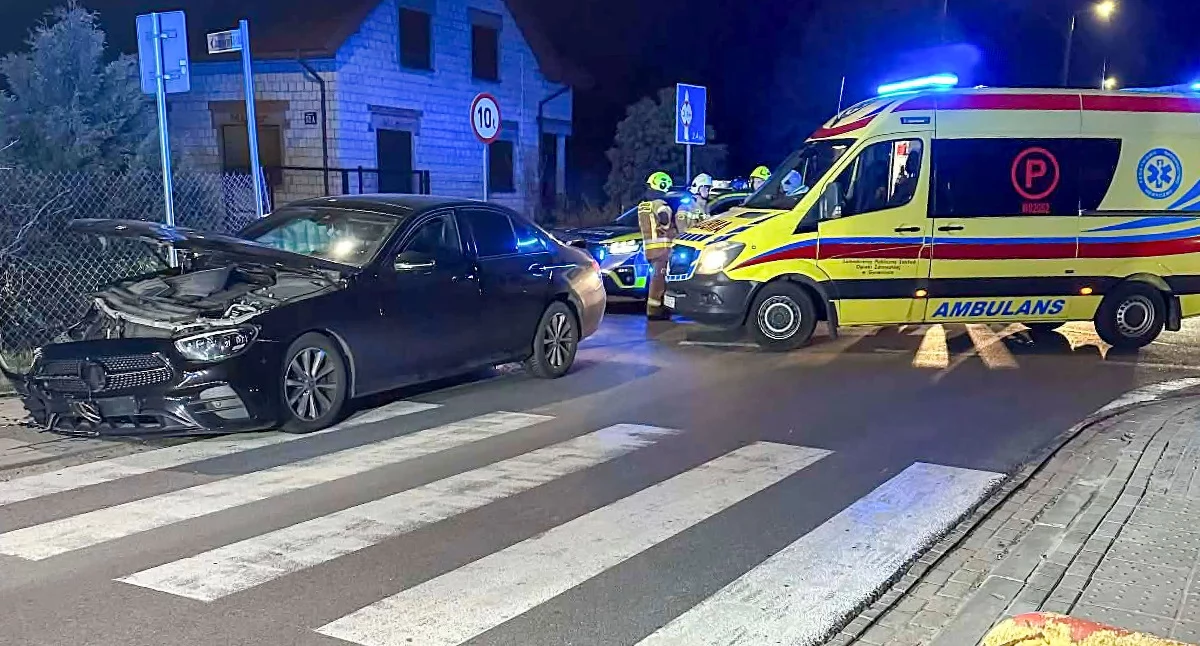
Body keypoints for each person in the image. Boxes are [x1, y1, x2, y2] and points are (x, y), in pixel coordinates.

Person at [638, 171, 676, 320]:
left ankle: (655, 308)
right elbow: (664, 219)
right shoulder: (660, 204)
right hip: (662, 250)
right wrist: (668, 227)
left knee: (655, 279)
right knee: (659, 282)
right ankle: (655, 311)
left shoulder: (643, 206)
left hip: (650, 250)